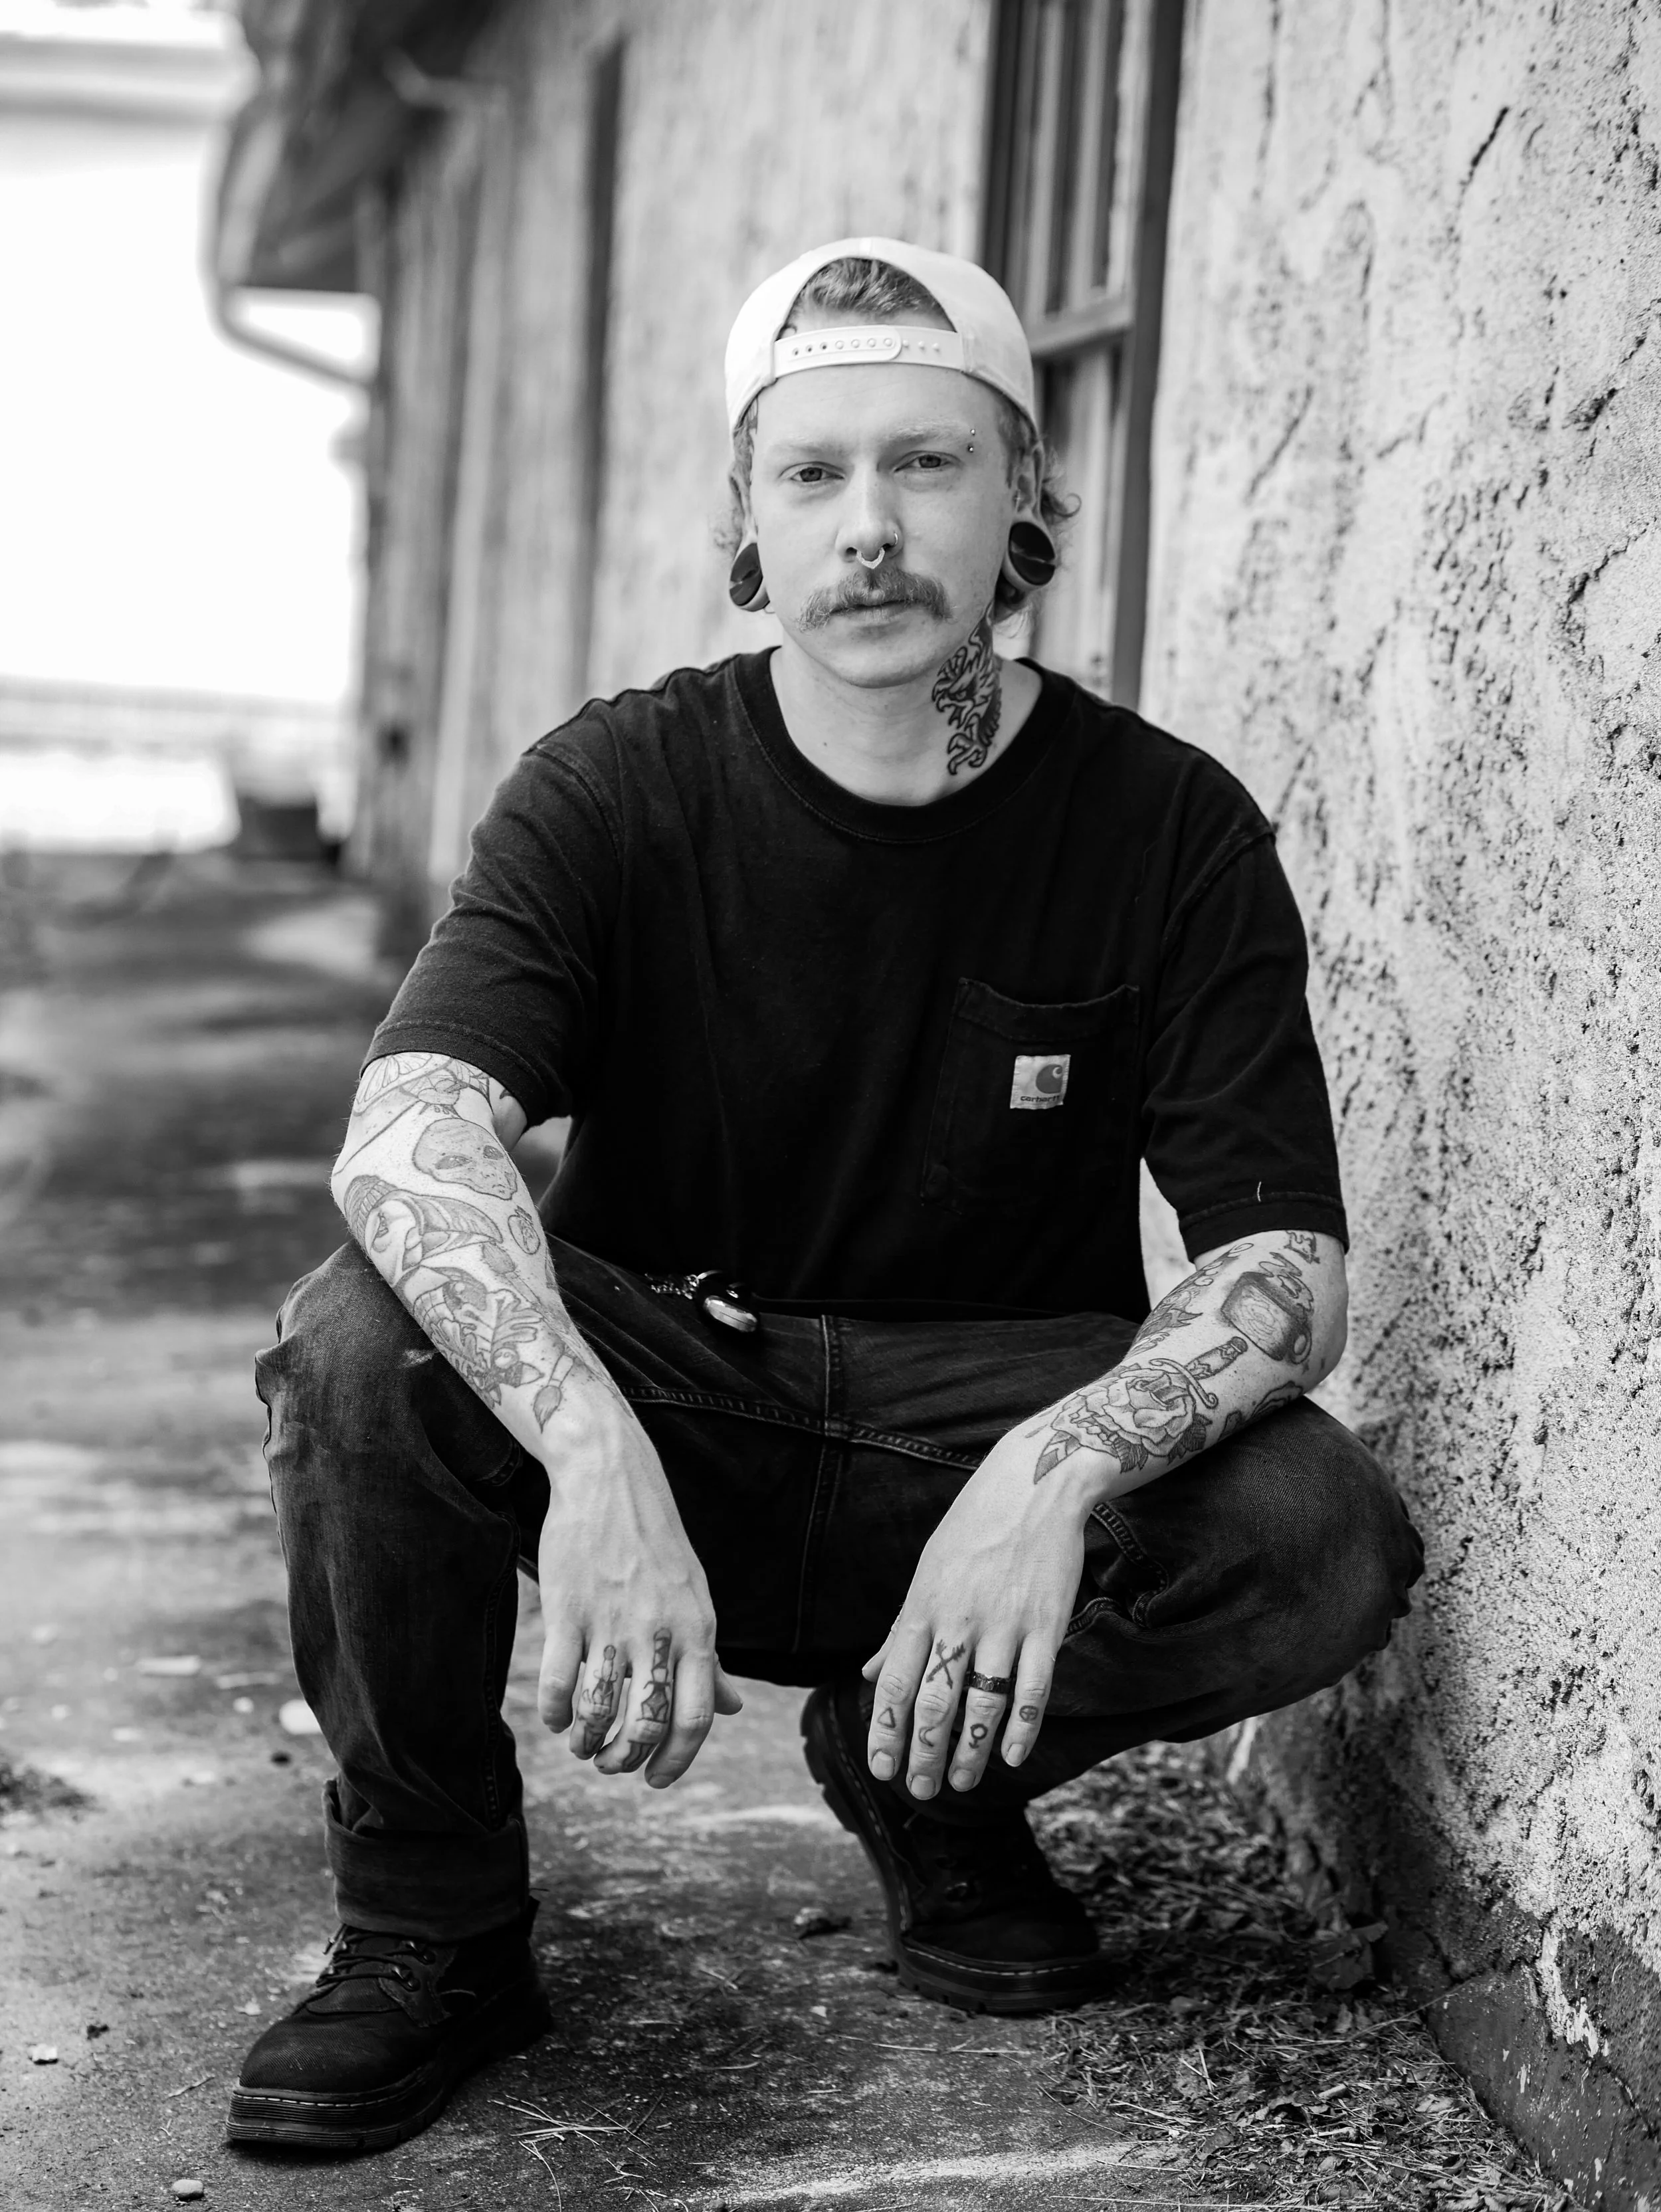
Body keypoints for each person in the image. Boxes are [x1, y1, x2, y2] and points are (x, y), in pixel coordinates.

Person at [228, 237, 1422, 2154]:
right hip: (676, 1385)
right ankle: (427, 1931)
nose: (869, 527)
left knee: (1315, 1531)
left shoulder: (1161, 823)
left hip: (969, 1429)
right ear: (748, 518)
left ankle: (924, 1777)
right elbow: (412, 1127)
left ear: (1021, 495)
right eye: (815, 474)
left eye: (927, 466)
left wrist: (1050, 1474)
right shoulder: (617, 787)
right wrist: (590, 1450)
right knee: (359, 1341)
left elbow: (1281, 1260)